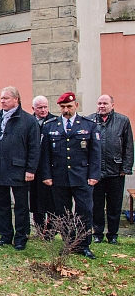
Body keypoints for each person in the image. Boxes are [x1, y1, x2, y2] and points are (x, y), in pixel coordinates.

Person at [41, 92, 101, 259]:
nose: (66, 110)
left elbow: (95, 153)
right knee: (63, 212)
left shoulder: (89, 125)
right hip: (59, 177)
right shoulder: (51, 126)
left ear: (76, 106)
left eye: (69, 106)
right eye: (63, 107)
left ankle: (83, 245)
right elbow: (45, 154)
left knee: (85, 211)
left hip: (82, 176)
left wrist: (94, 175)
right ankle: (68, 242)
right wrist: (47, 175)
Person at [0, 87, 40, 250]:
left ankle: (21, 237)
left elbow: (34, 147)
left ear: (16, 99)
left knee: (21, 206)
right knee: (1, 204)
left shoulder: (28, 121)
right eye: (1, 98)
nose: (2, 101)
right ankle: (5, 234)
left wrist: (31, 169)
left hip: (19, 170)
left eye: (6, 98)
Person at [87, 94, 133, 245]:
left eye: (105, 103)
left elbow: (128, 146)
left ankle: (112, 234)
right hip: (96, 172)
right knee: (97, 204)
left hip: (116, 171)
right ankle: (97, 233)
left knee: (114, 205)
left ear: (112, 105)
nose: (101, 106)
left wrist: (126, 167)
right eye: (99, 103)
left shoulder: (123, 121)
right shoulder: (89, 120)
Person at [31, 95, 57, 234]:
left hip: (50, 169)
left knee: (51, 202)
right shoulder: (29, 122)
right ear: (33, 108)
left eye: (45, 107)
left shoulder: (54, 121)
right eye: (40, 107)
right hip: (34, 169)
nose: (43, 110)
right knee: (36, 202)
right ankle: (39, 230)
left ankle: (51, 231)